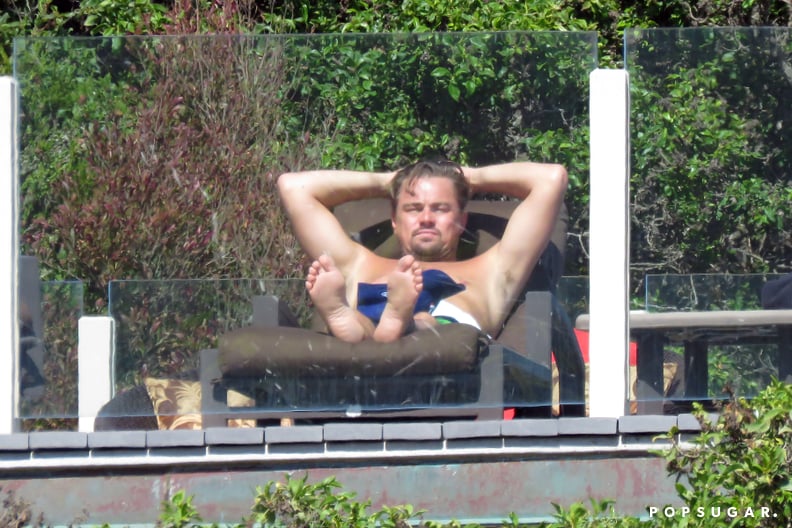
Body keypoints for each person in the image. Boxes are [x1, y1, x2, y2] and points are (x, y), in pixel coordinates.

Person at [277, 158, 567, 343]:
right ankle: (351, 320)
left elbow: (551, 179)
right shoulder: (358, 263)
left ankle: (401, 323)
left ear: (461, 220)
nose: (426, 218)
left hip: (445, 339)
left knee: (426, 322)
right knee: (362, 322)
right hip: (369, 339)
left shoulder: (495, 269)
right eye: (413, 209)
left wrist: (468, 177)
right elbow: (293, 187)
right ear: (395, 220)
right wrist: (389, 181)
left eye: (440, 209)